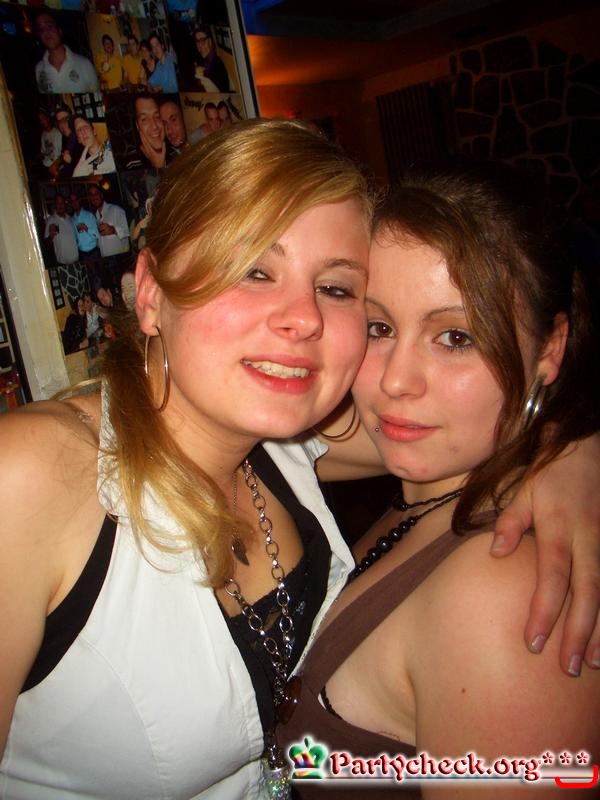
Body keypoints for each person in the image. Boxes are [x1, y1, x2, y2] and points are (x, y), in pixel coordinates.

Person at [0, 123, 599, 800]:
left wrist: (572, 452)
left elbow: (477, 425)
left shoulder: (283, 447)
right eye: (255, 270)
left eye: (337, 289)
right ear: (150, 292)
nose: (303, 319)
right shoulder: (32, 477)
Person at [279, 160, 600, 798]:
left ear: (550, 348)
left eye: (455, 337)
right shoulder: (438, 492)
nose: (397, 381)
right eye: (379, 328)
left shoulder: (504, 595)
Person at [34, 10, 99, 94]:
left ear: (59, 31)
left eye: (49, 26)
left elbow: (97, 96)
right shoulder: (39, 68)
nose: (45, 32)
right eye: (41, 29)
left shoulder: (84, 64)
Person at [126, 94, 177, 169]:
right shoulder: (132, 163)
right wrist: (159, 167)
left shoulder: (175, 154)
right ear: (137, 126)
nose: (154, 126)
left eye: (157, 117)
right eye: (144, 119)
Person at [70, 191, 102, 292]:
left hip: (93, 252)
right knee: (87, 280)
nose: (74, 203)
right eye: (72, 201)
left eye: (76, 200)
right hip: (82, 254)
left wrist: (86, 228)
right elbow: (75, 237)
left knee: (99, 279)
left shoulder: (89, 215)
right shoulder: (72, 220)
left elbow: (97, 235)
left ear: (79, 201)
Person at [192, 24, 232, 92]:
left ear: (210, 41)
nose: (200, 45)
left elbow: (221, 93)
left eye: (203, 40)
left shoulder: (217, 66)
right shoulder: (203, 60)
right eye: (197, 41)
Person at [43, 192, 79, 267]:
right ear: (55, 205)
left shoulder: (70, 218)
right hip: (63, 265)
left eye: (62, 202)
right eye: (58, 203)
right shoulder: (51, 220)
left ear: (65, 204)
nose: (60, 205)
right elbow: (46, 245)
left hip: (77, 262)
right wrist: (51, 236)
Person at [52, 106, 83, 179]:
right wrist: (56, 163)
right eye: (59, 122)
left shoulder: (81, 136)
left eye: (66, 119)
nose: (62, 125)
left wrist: (71, 162)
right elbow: (64, 154)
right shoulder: (65, 136)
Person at [37, 107, 62, 178]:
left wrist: (55, 166)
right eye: (40, 120)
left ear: (48, 118)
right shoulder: (43, 135)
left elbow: (60, 154)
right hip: (46, 165)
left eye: (43, 118)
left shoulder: (57, 133)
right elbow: (44, 151)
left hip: (55, 166)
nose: (42, 122)